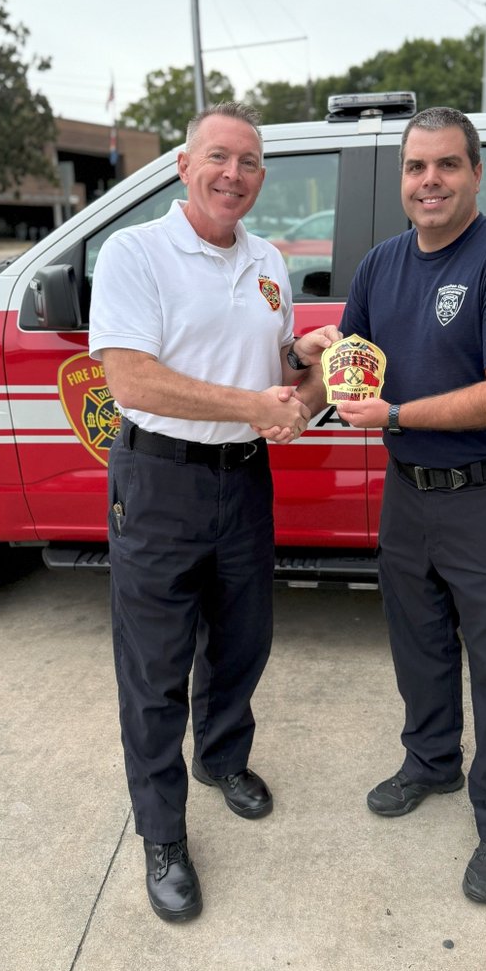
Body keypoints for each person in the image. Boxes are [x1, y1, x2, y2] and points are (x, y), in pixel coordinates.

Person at [89, 101, 337, 923]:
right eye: (219, 158)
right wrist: (252, 402)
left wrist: (298, 360)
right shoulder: (137, 252)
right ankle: (163, 837)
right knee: (156, 672)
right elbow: (131, 379)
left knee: (241, 641)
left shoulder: (268, 259)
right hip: (160, 482)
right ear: (183, 166)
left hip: (244, 480)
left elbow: (264, 361)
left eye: (251, 163)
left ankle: (223, 760)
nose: (235, 175)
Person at [336, 106, 486, 904]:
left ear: (475, 173)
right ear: (403, 179)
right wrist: (307, 360)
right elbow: (350, 361)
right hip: (409, 497)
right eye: (415, 168)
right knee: (418, 644)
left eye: (446, 166)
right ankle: (431, 763)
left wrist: (393, 416)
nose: (429, 181)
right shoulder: (381, 265)